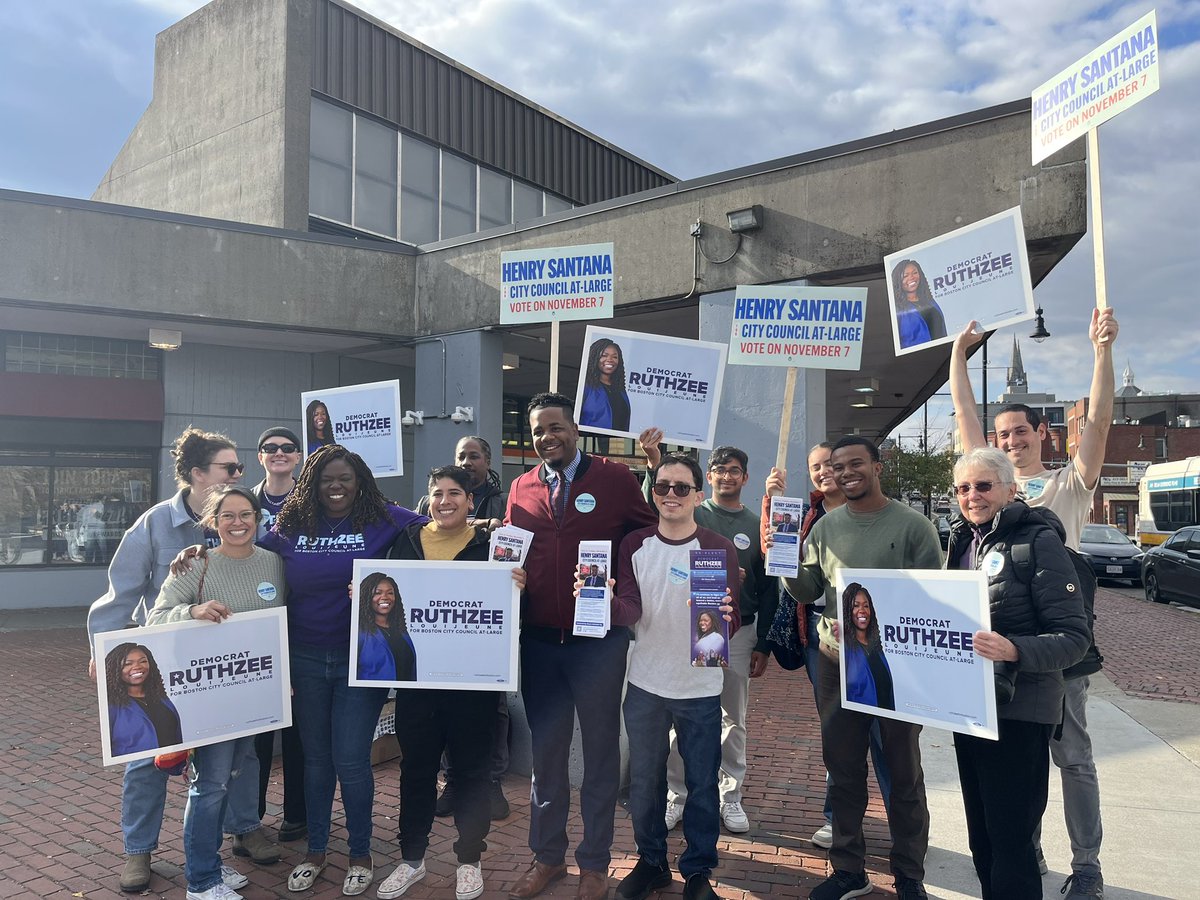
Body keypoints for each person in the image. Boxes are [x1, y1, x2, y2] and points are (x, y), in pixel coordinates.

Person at [950, 307, 1118, 899]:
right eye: (1002, 436)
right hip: (992, 661)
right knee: (1012, 788)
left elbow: (1096, 422)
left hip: (1053, 647)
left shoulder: (1066, 487)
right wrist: (957, 357)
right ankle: (1028, 850)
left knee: (1072, 759)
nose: (1011, 441)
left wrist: (1101, 350)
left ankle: (1087, 864)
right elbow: (965, 419)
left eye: (1021, 432)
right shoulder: (986, 489)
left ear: (1041, 433)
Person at [86, 426, 266, 894]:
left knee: (240, 750)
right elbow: (118, 596)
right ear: (195, 474)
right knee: (150, 757)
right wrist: (100, 651)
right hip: (165, 666)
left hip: (227, 669)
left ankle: (245, 828)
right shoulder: (152, 525)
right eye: (230, 467)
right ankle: (138, 849)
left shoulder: (237, 518)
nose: (239, 474)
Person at [505, 392, 657, 900]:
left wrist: (624, 589)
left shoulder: (615, 479)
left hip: (598, 642)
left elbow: (646, 538)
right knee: (545, 757)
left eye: (555, 427)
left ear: (575, 428)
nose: (547, 437)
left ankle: (594, 863)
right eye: (537, 432)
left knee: (598, 753)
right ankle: (546, 858)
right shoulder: (521, 487)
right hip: (541, 642)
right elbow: (509, 554)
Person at [259, 445, 424, 896]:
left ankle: (360, 854)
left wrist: (493, 534)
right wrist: (201, 551)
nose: (335, 487)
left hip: (360, 661)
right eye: (326, 479)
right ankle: (315, 851)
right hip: (306, 658)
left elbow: (442, 530)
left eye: (345, 479)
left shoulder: (384, 517)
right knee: (315, 761)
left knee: (351, 760)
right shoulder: (288, 525)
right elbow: (244, 554)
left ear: (360, 482)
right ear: (311, 483)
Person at [782, 436, 942, 900]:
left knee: (903, 770)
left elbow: (933, 602)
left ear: (876, 466)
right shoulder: (826, 528)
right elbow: (808, 589)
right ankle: (849, 870)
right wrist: (784, 559)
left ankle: (910, 875)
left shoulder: (914, 527)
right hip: (837, 660)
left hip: (896, 663)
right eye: (838, 466)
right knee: (844, 769)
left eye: (856, 464)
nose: (846, 472)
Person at [375, 465, 528, 900]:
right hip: (417, 681)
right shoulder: (405, 542)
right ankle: (412, 859)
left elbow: (512, 606)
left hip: (473, 682)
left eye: (455, 492)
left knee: (473, 772)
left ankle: (469, 859)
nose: (446, 500)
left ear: (470, 499)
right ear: (427, 499)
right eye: (438, 492)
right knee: (416, 770)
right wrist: (365, 593)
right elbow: (385, 594)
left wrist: (521, 584)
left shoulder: (492, 545)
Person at [946, 447, 1090, 899]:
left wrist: (1014, 649)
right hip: (970, 705)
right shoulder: (962, 541)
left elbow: (1073, 639)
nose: (973, 495)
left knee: (1013, 840)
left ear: (1011, 489)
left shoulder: (1038, 541)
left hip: (1021, 710)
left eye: (983, 485)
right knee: (982, 837)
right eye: (964, 488)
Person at [147, 484, 288, 900]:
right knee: (209, 785)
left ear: (258, 519)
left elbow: (282, 623)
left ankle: (210, 863)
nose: (239, 523)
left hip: (253, 695)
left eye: (246, 514)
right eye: (228, 515)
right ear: (213, 522)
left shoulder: (274, 563)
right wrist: (192, 611)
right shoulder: (196, 565)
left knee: (237, 770)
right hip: (208, 698)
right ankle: (202, 881)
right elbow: (156, 618)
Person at [612, 453, 739, 900]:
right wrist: (601, 601)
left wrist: (726, 616)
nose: (670, 494)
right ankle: (651, 863)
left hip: (700, 687)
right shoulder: (635, 546)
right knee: (645, 782)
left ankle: (699, 872)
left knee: (703, 783)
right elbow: (630, 610)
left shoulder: (717, 548)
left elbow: (730, 619)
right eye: (662, 486)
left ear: (698, 496)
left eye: (681, 488)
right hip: (646, 683)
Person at [637, 439, 777, 836]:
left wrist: (763, 643)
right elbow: (655, 501)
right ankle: (676, 797)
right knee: (680, 718)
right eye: (720, 469)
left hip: (738, 631)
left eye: (735, 470)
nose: (727, 475)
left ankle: (730, 797)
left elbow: (769, 588)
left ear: (745, 477)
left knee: (733, 718)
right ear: (708, 479)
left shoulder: (756, 524)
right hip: (684, 631)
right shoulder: (690, 510)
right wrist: (652, 462)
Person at [764, 444, 893, 851]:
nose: (824, 473)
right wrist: (772, 513)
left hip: (876, 641)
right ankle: (836, 817)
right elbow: (798, 577)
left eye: (831, 466)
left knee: (884, 735)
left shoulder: (884, 517)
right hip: (821, 637)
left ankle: (898, 819)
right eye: (816, 467)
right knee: (837, 732)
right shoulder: (806, 517)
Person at [418, 437, 512, 822]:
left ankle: (490, 781)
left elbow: (514, 545)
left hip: (485, 630)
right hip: (439, 629)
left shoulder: (503, 501)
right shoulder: (429, 508)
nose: (468, 461)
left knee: (494, 709)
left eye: (474, 456)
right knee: (445, 708)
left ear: (487, 461)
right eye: (462, 456)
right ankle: (454, 780)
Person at [249, 427, 307, 844]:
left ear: (300, 455)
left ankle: (298, 813)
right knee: (255, 731)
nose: (279, 453)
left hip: (302, 623)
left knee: (298, 729)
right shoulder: (244, 502)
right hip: (254, 623)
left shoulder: (314, 498)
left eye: (287, 448)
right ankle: (249, 819)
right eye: (271, 448)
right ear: (260, 457)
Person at [105, 643, 182, 757]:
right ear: (115, 669)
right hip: (135, 770)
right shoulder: (111, 706)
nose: (137, 667)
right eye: (127, 663)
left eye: (143, 661)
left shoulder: (161, 698)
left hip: (168, 765)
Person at [840, 583, 894, 711]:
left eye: (866, 606)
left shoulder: (877, 648)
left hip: (885, 722)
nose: (862, 610)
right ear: (847, 610)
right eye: (855, 606)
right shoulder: (845, 650)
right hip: (861, 724)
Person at [355, 573, 417, 681]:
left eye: (390, 593)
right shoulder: (359, 632)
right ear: (366, 596)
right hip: (368, 694)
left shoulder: (402, 631)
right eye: (377, 593)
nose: (385, 597)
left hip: (405, 695)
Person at [891, 259, 947, 349]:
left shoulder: (930, 301)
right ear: (898, 281)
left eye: (915, 273)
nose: (912, 277)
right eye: (905, 276)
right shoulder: (897, 310)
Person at [578, 338, 632, 431]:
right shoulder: (585, 387)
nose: (610, 360)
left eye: (615, 357)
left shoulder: (620, 390)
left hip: (615, 442)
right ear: (594, 358)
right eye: (604, 355)